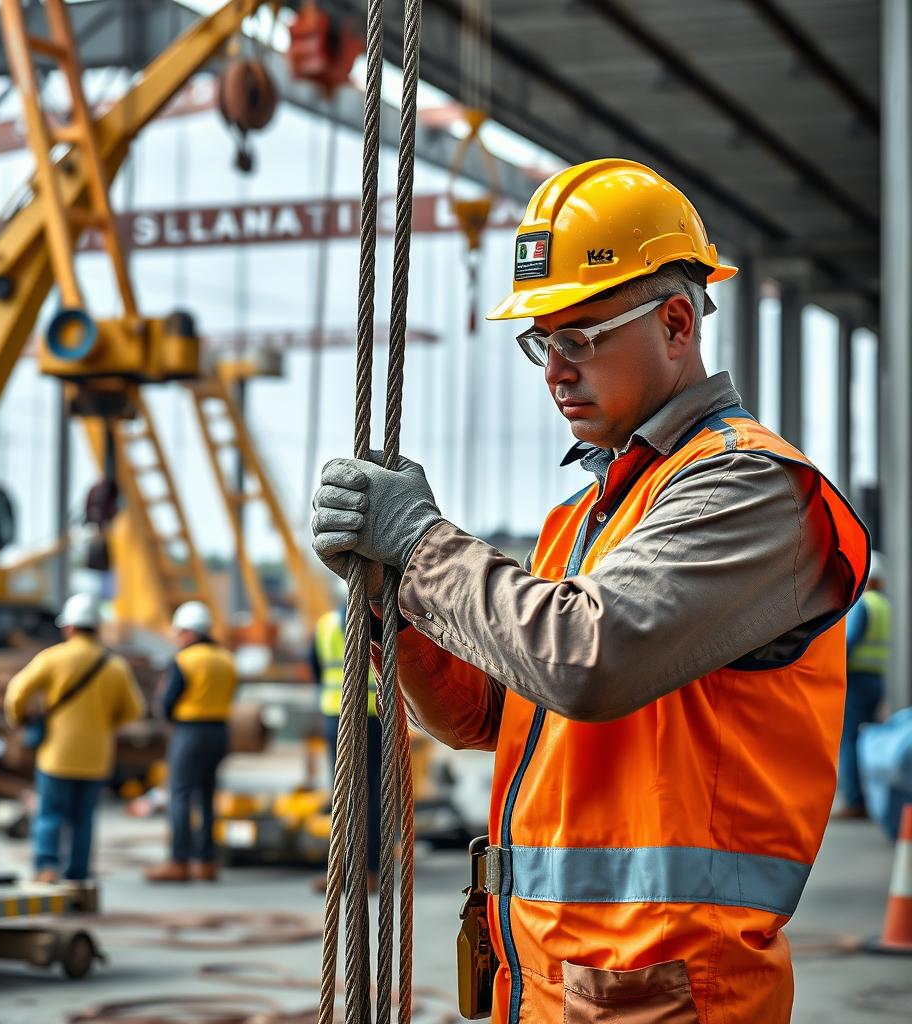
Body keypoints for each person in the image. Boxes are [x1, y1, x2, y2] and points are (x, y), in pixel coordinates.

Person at [310, 158, 869, 1023]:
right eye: (542, 343)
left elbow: (587, 659)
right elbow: (484, 715)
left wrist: (419, 543)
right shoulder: (588, 514)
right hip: (555, 981)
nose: (554, 371)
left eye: (579, 339)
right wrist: (397, 605)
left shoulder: (748, 489)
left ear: (676, 323)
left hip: (670, 988)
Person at [4, 592, 143, 883]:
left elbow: (17, 691)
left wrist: (20, 719)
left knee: (50, 814)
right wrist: (107, 723)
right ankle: (78, 874)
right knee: (84, 819)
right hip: (96, 756)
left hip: (57, 753)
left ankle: (46, 867)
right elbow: (134, 710)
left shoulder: (53, 659)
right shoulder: (115, 666)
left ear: (69, 627)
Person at [146, 601, 236, 883]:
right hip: (219, 731)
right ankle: (206, 862)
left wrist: (168, 716)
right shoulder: (225, 658)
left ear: (188, 632)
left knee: (181, 794)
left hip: (191, 731)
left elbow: (168, 700)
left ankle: (179, 861)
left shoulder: (184, 659)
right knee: (207, 796)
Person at [310, 604, 381, 893]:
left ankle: (353, 873)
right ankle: (365, 872)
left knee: (345, 794)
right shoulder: (379, 616)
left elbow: (316, 668)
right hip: (373, 715)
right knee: (368, 795)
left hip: (337, 715)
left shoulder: (325, 624)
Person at [835, 551, 890, 819]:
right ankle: (868, 796)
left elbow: (847, 644)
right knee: (866, 740)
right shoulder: (884, 605)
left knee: (849, 740)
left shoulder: (865, 604)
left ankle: (855, 801)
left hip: (855, 681)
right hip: (876, 679)